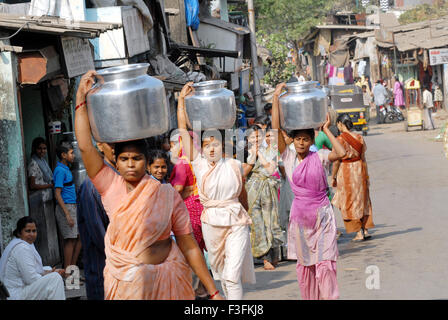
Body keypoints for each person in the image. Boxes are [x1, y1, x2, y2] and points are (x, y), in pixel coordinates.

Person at [74, 71, 223, 300]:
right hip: (126, 281)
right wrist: (80, 100)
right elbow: (85, 147)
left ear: (147, 161)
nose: (131, 165)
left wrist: (212, 291)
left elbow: (188, 244)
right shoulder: (110, 185)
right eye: (125, 160)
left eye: (137, 159)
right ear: (115, 161)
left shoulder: (165, 194)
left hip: (170, 277)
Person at [177, 82, 256, 300]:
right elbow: (183, 129)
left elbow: (242, 194)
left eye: (216, 144)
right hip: (211, 222)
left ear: (223, 145)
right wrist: (181, 101)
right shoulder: (199, 164)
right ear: (201, 148)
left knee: (231, 276)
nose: (212, 148)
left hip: (236, 221)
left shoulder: (233, 164)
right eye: (206, 144)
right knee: (223, 276)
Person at [272, 82, 346, 300]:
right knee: (307, 268)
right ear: (292, 141)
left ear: (312, 141)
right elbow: (276, 129)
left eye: (305, 139)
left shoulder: (320, 156)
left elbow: (340, 152)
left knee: (325, 263)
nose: (301, 143)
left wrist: (325, 129)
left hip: (322, 216)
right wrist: (276, 99)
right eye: (297, 139)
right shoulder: (288, 157)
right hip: (301, 220)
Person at [76, 142, 117, 300]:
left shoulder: (119, 179)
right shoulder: (92, 186)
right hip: (103, 265)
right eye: (111, 144)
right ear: (101, 146)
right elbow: (98, 233)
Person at [245, 125, 284, 270]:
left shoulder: (270, 151)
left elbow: (270, 169)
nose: (256, 139)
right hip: (252, 191)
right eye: (252, 137)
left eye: (258, 136)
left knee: (271, 221)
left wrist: (259, 155)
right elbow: (243, 172)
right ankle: (264, 258)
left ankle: (274, 255)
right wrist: (251, 156)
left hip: (268, 190)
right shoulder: (243, 153)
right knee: (257, 224)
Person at [331, 114, 374, 241]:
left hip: (346, 171)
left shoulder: (340, 140)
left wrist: (333, 176)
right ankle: (365, 229)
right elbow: (363, 157)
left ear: (339, 124)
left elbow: (336, 161)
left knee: (349, 201)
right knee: (362, 199)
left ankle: (358, 232)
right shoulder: (359, 137)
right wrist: (366, 175)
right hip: (360, 169)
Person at [0, 217, 65, 300]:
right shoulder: (21, 248)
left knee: (49, 270)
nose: (32, 234)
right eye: (28, 231)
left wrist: (47, 272)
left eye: (34, 231)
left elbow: (32, 271)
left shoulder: (23, 243)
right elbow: (30, 279)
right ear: (19, 233)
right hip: (16, 294)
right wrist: (49, 275)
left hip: (20, 288)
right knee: (55, 279)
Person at [53, 141, 82, 270]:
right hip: (66, 207)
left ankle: (72, 271)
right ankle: (67, 272)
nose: (73, 155)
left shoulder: (66, 168)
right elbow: (57, 194)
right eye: (71, 153)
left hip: (72, 206)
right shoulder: (59, 170)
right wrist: (67, 214)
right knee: (70, 240)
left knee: (78, 239)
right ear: (63, 155)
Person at [28, 137, 54, 202]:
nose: (42, 151)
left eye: (44, 148)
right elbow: (32, 185)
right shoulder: (33, 163)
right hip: (40, 199)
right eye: (39, 148)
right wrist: (50, 185)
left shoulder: (43, 161)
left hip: (47, 197)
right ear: (34, 149)